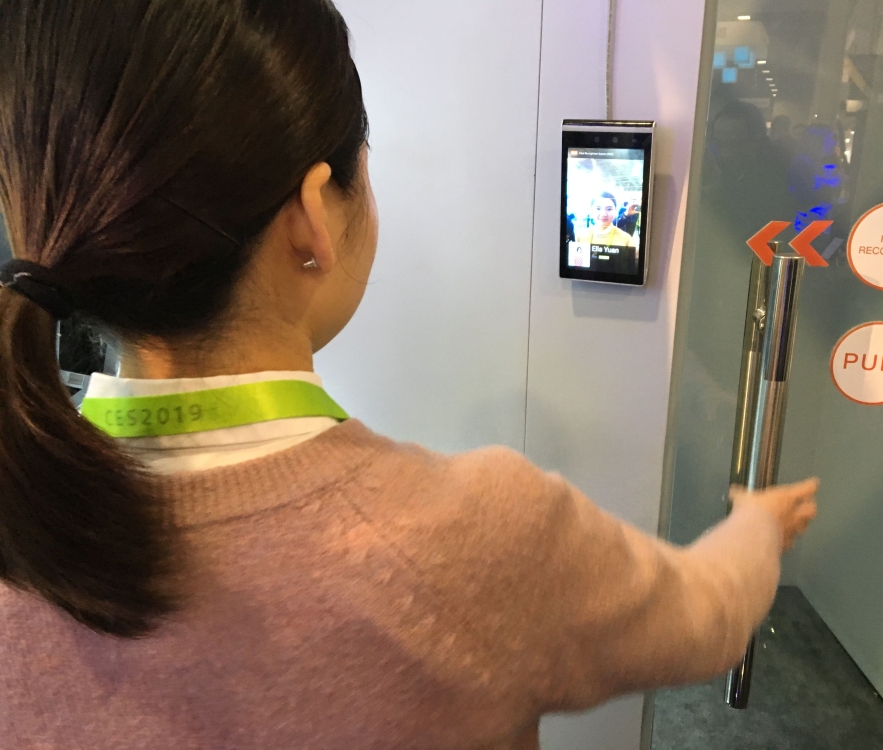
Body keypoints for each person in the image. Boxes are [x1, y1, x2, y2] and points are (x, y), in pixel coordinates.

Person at [0, 2, 819, 749]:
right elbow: (708, 615)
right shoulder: (484, 536)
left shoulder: (24, 532)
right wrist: (757, 524)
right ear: (314, 213)